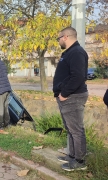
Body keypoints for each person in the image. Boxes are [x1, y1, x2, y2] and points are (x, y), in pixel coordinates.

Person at [53, 27, 89, 171]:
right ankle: (73, 156)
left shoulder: (77, 52)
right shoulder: (69, 52)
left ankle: (79, 161)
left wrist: (64, 93)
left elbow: (78, 76)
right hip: (68, 97)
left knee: (76, 130)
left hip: (72, 96)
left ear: (65, 37)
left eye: (59, 38)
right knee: (70, 128)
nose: (58, 41)